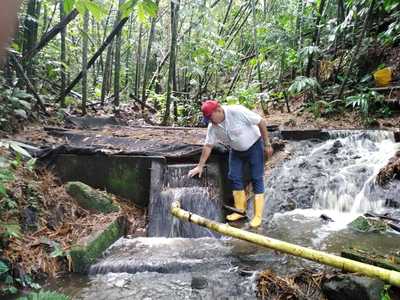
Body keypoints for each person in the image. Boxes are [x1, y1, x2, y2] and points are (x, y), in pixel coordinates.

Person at [188, 100, 273, 228]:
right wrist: (200, 166)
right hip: (236, 151)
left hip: (254, 146)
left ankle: (258, 216)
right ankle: (240, 211)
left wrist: (267, 144)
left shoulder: (237, 111)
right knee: (234, 176)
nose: (210, 121)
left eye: (210, 118)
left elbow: (261, 122)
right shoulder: (213, 127)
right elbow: (208, 146)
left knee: (257, 178)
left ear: (219, 110)